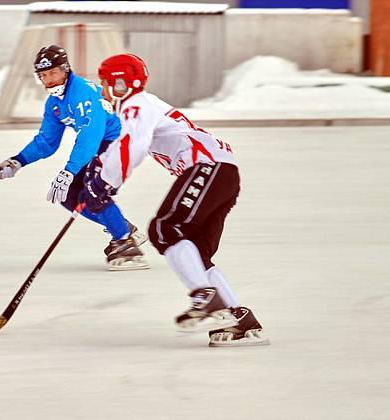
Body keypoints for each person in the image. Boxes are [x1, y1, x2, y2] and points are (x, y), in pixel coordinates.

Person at [80, 53, 269, 347]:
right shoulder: (143, 107)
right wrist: (99, 166)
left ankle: (206, 301)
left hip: (208, 166)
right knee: (195, 251)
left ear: (122, 83)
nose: (104, 91)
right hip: (222, 171)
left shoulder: (136, 103)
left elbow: (134, 145)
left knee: (164, 228)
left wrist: (105, 183)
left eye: (107, 84)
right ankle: (239, 321)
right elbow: (127, 142)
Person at [0, 45, 148, 271]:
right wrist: (18, 161)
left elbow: (89, 137)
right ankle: (123, 229)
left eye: (53, 73)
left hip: (118, 142)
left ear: (66, 70)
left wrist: (69, 171)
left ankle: (128, 247)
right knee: (68, 196)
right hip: (99, 145)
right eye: (43, 76)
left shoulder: (83, 94)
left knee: (94, 191)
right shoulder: (55, 104)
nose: (49, 81)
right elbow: (47, 141)